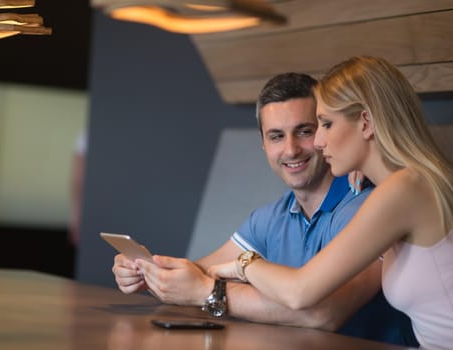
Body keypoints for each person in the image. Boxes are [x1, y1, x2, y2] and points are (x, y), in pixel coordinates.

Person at [114, 73, 416, 346]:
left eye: (305, 130)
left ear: (325, 133)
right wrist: (147, 273)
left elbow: (323, 313)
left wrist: (207, 292)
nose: (291, 150)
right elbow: (198, 272)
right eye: (276, 136)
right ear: (262, 144)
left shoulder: (365, 203)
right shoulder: (270, 217)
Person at [208, 56, 453, 350]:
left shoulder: (403, 189)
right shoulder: (404, 185)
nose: (319, 142)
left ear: (365, 123)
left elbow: (300, 292)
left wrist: (242, 265)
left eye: (324, 124)